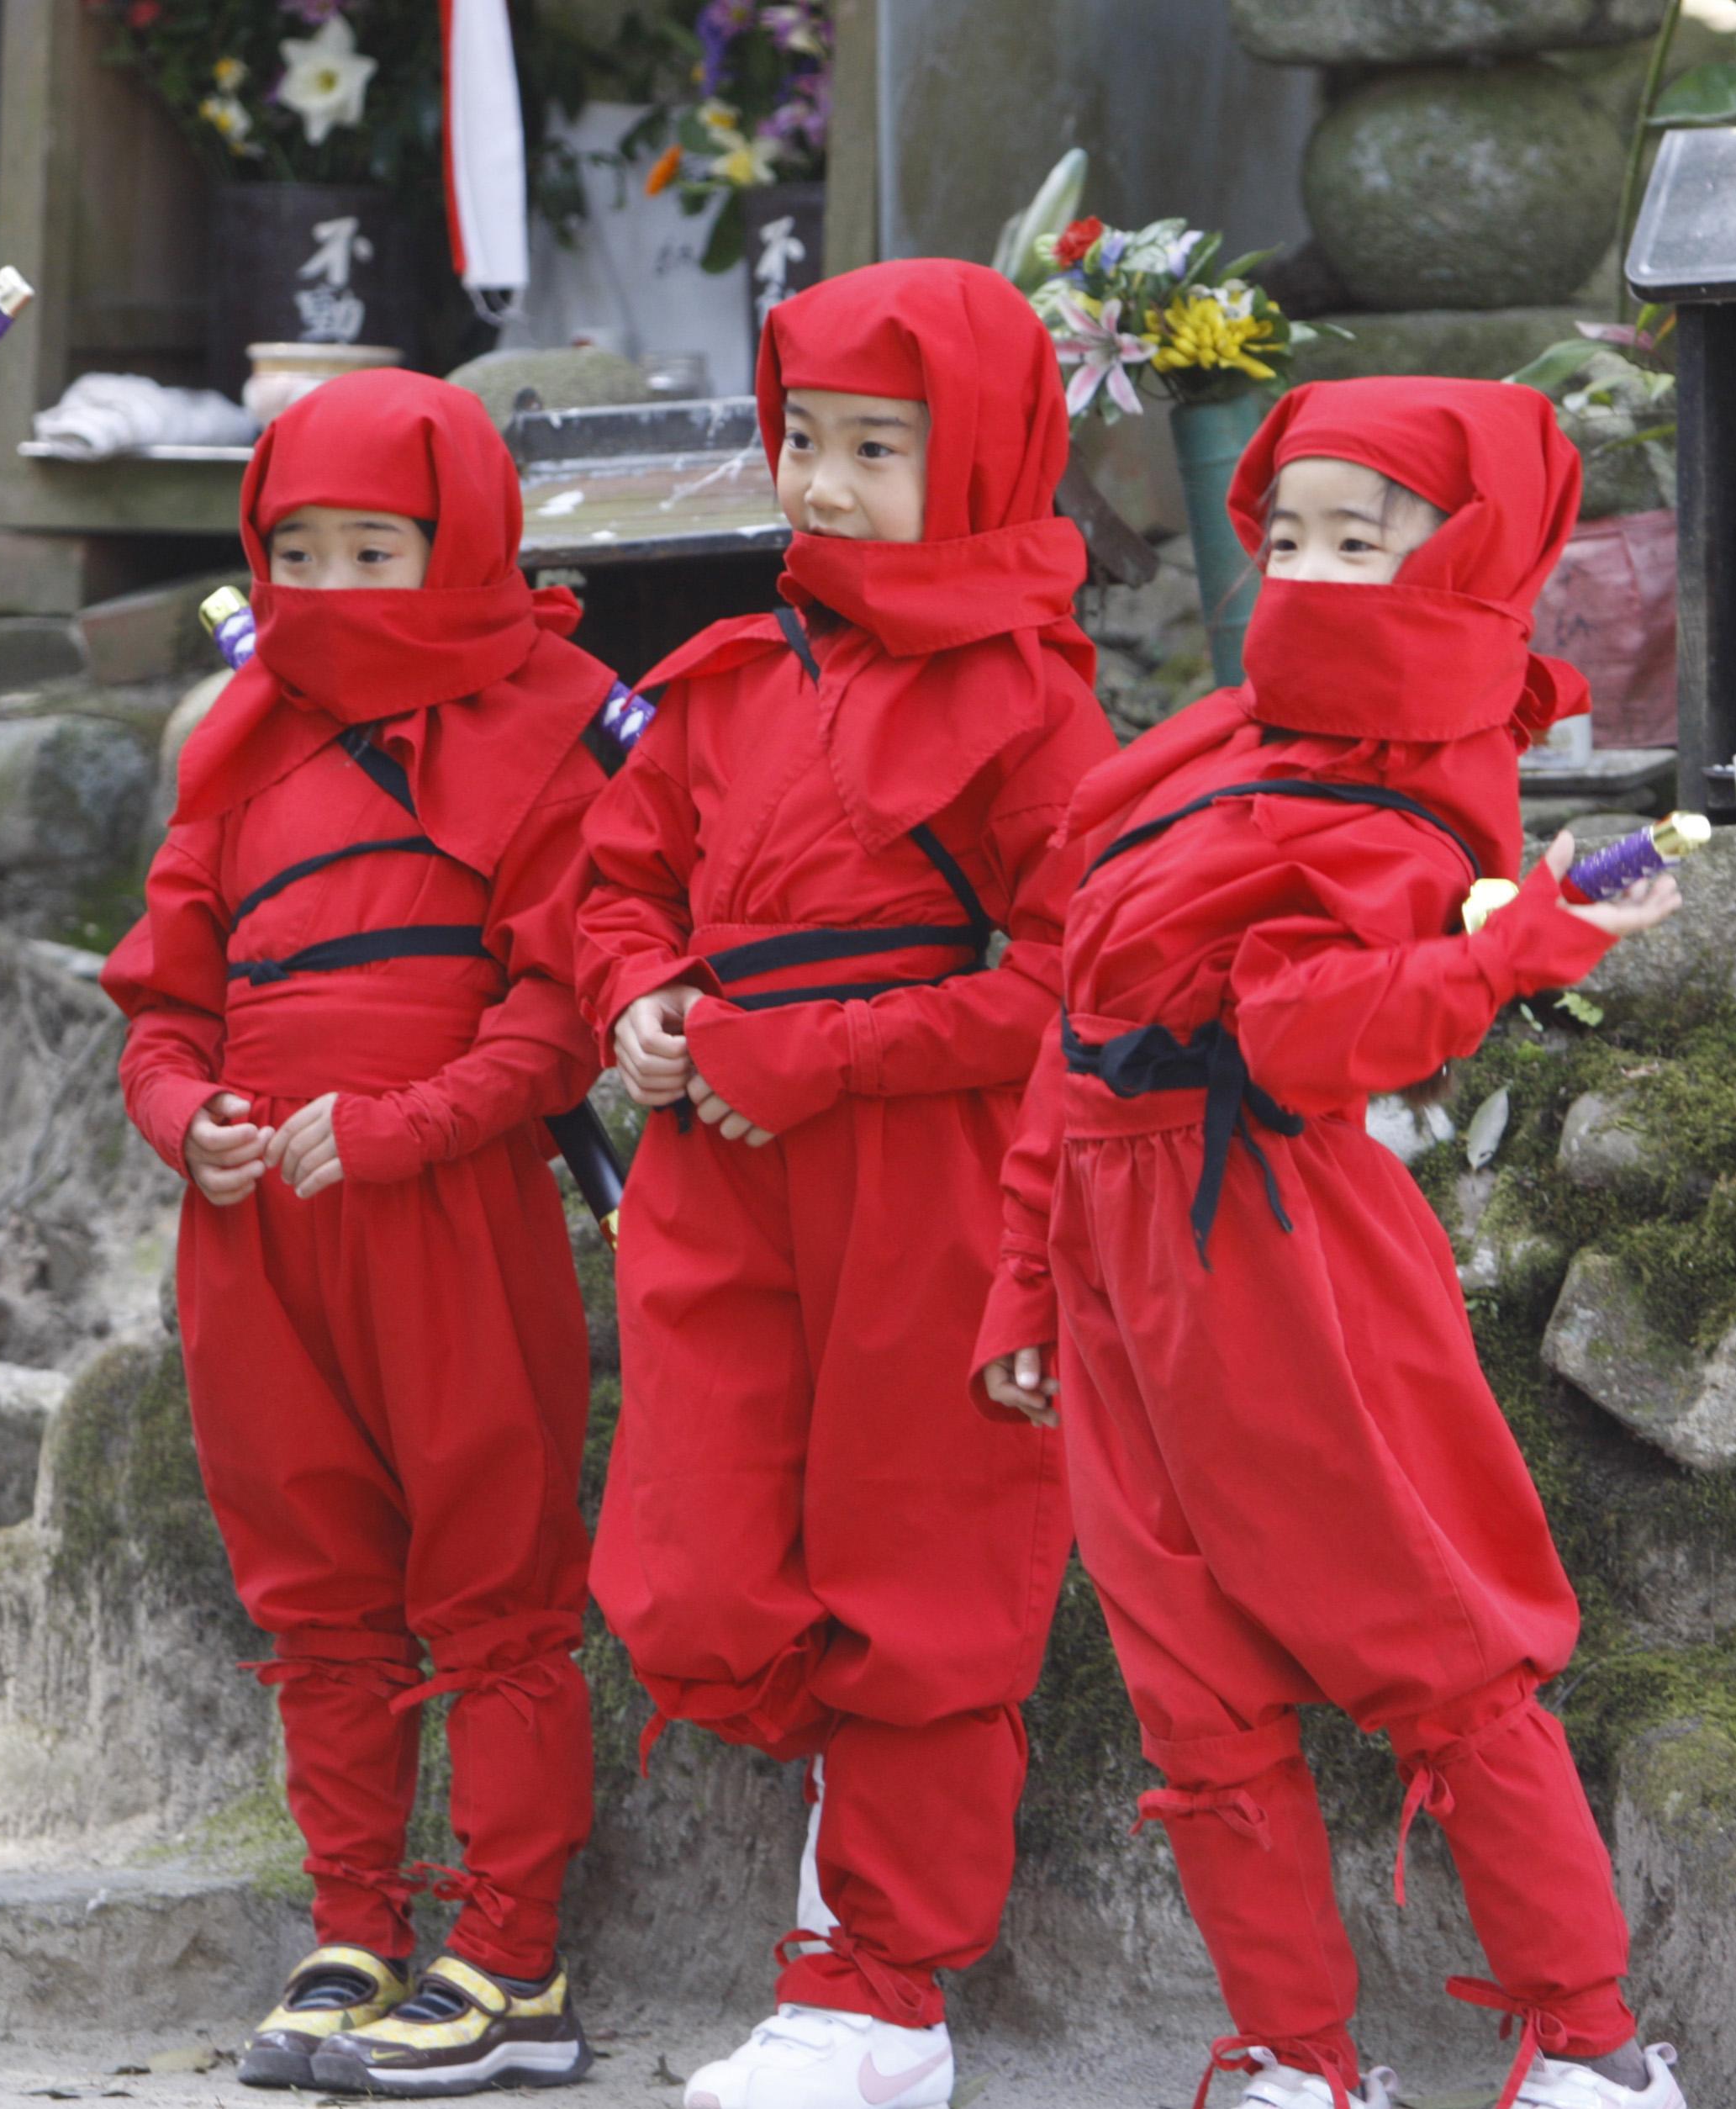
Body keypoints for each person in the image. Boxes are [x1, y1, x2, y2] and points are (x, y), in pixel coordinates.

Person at [974, 378, 1685, 2109]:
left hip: (1280, 1242)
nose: (1304, 574)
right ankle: (1298, 2060)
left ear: (1467, 562)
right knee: (1191, 1694)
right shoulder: (1216, 747)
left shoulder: (1430, 778)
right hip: (1118, 1251)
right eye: (1282, 534)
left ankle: (1589, 2047)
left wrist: (1524, 944)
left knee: (1436, 1646)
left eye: (1358, 542)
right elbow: (1081, 1019)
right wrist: (1022, 1278)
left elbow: (1310, 1038)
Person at [575, 257, 1116, 2109]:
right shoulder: (726, 676)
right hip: (720, 1164)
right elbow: (616, 875)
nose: (819, 482)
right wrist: (633, 997)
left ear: (982, 461)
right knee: (698, 1554)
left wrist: (815, 1057)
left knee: (927, 1562)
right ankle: (842, 1904)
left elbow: (1066, 976)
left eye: (880, 448)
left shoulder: (1036, 706)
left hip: (933, 1172)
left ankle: (876, 1990)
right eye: (804, 437)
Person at [101, 368, 615, 2098]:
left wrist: (412, 1126)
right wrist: (190, 1123)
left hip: (451, 1211)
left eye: (375, 550)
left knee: (493, 1581)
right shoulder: (239, 744)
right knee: (314, 1590)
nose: (328, 590)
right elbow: (162, 1006)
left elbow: (565, 1005)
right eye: (296, 551)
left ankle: (508, 1951)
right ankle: (351, 1919)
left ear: (462, 542)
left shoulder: (560, 721)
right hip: (254, 1228)